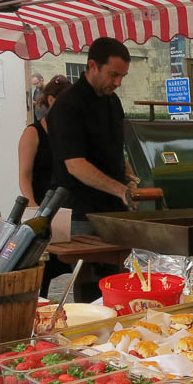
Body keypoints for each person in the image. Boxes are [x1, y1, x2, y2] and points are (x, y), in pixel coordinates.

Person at [47, 36, 137, 235]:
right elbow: (75, 165)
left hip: (113, 209)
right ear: (93, 66)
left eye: (123, 76)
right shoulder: (68, 104)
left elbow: (112, 149)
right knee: (87, 266)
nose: (118, 82)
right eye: (113, 75)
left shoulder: (113, 101)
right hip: (80, 213)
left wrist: (128, 174)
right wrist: (121, 190)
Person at [18, 74, 71, 206]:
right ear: (51, 100)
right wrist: (32, 205)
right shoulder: (33, 132)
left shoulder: (73, 131)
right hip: (42, 205)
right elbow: (25, 176)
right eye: (68, 101)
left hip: (71, 207)